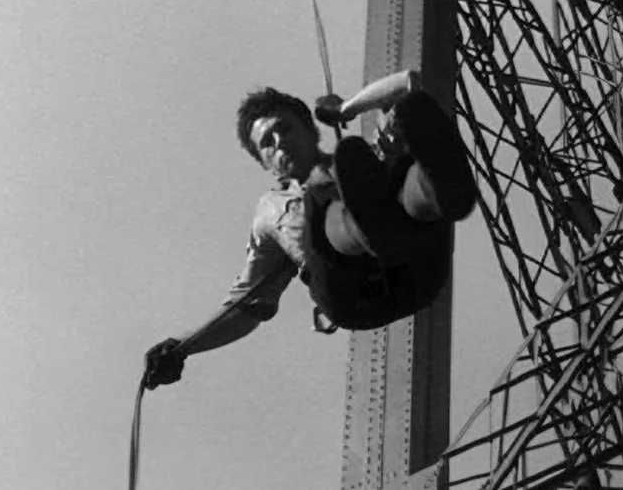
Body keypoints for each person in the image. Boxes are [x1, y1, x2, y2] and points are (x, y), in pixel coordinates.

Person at [142, 70, 477, 390]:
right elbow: (247, 309)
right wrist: (183, 346)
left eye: (284, 129)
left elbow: (407, 85)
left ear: (308, 128)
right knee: (324, 198)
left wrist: (346, 109)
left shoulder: (360, 166)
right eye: (268, 144)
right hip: (358, 294)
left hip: (417, 272)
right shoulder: (270, 212)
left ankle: (435, 189)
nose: (280, 144)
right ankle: (370, 229)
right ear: (264, 164)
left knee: (396, 155)